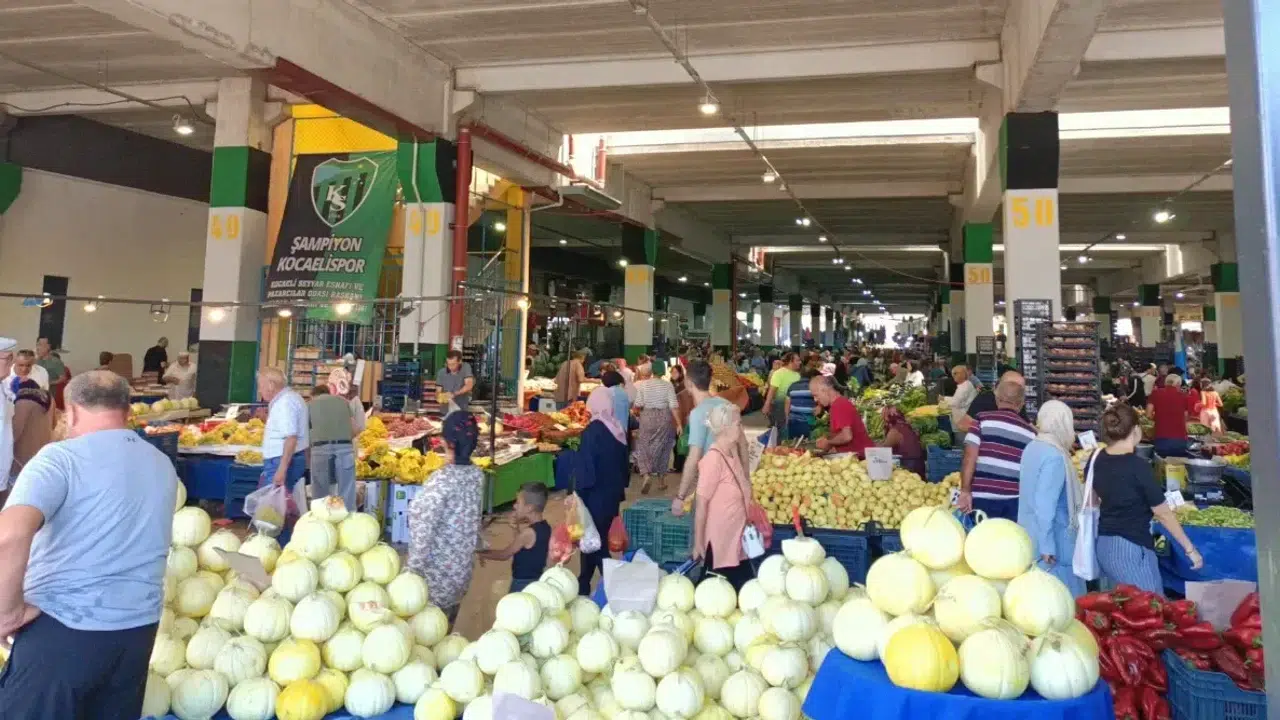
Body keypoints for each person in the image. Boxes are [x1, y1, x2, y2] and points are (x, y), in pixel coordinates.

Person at [0, 370, 176, 718]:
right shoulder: (162, 464)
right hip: (137, 632)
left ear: (73, 411)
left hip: (64, 629)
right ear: (127, 411)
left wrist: (8, 612)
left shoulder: (60, 459)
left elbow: (9, 535)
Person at [1093, 404, 1202, 593]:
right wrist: (1190, 550)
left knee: (1119, 607)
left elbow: (1092, 502)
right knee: (1150, 608)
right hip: (1131, 548)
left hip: (1103, 544)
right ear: (1136, 430)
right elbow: (1163, 514)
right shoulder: (1138, 467)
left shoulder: (1096, 459)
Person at [407, 411, 484, 626]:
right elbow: (473, 518)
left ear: (446, 443)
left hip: (434, 579)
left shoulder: (440, 482)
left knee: (428, 633)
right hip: (461, 573)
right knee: (446, 625)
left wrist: (410, 572)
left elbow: (423, 530)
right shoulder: (477, 475)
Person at [1016, 400, 1086, 597]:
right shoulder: (1054, 455)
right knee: (1062, 602)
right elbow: (1045, 504)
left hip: (1030, 533)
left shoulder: (1032, 447)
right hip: (1054, 543)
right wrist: (1048, 545)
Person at [693, 402, 756, 589]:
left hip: (736, 538)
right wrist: (698, 543)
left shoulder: (732, 452)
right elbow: (701, 505)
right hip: (721, 542)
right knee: (719, 593)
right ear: (725, 428)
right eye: (738, 424)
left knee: (742, 590)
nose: (741, 428)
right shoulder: (713, 459)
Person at [574, 388, 632, 595]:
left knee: (595, 543)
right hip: (612, 496)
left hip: (594, 495)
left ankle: (614, 585)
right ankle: (583, 584)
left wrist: (577, 493)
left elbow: (587, 468)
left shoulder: (593, 431)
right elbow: (626, 466)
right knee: (590, 540)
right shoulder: (617, 428)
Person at [958, 377, 1036, 521]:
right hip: (1013, 502)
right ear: (1021, 404)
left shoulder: (981, 420)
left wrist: (965, 491)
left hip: (982, 497)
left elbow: (970, 457)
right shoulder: (1031, 434)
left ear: (998, 399)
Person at [673, 361, 745, 517]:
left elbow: (694, 456)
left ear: (688, 383)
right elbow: (743, 445)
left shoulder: (698, 413)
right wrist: (745, 479)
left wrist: (680, 496)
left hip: (711, 483)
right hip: (732, 480)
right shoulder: (727, 404)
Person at [479, 483, 550, 593]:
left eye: (518, 502)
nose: (514, 506)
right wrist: (515, 527)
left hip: (522, 584)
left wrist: (480, 552)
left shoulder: (528, 533)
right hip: (537, 581)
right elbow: (524, 548)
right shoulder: (545, 527)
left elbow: (504, 555)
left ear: (529, 508)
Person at [258, 367, 309, 514]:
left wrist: (281, 469)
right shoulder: (290, 398)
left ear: (271, 385)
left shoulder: (285, 403)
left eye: (261, 386)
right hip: (286, 459)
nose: (260, 391)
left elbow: (291, 438)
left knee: (276, 510)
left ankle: (279, 537)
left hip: (280, 461)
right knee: (282, 505)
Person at [308, 370, 359, 511]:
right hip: (344, 448)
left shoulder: (310, 405)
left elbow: (306, 433)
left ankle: (322, 520)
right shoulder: (343, 402)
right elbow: (355, 428)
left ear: (314, 395)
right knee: (347, 489)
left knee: (320, 490)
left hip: (320, 449)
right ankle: (348, 521)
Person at [633, 364, 681, 494]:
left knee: (643, 446)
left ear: (652, 371)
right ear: (664, 371)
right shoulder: (668, 385)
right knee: (663, 447)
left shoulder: (643, 384)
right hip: (664, 417)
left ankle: (646, 474)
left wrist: (636, 412)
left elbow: (638, 404)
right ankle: (661, 481)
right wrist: (679, 424)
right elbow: (673, 406)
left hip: (647, 416)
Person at [810, 375, 874, 457]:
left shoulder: (839, 405)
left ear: (824, 390)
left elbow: (847, 436)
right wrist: (829, 440)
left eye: (816, 395)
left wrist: (828, 442)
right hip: (858, 456)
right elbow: (842, 433)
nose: (815, 399)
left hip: (862, 458)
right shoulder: (838, 403)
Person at [10, 379, 53, 489]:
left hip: (23, 456)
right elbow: (54, 423)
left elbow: (15, 431)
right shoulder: (49, 400)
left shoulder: (23, 402)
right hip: (43, 451)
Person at [1146, 374, 1194, 457]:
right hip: (1180, 439)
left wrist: (1158, 417)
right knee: (1178, 466)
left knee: (1161, 466)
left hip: (1161, 437)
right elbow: (1186, 418)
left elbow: (1148, 414)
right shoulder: (1184, 397)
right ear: (1178, 384)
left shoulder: (1156, 393)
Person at [880, 406, 925, 477]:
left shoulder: (895, 431)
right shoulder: (906, 426)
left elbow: (884, 448)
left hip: (909, 468)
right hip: (919, 466)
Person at [763, 352, 801, 433]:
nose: (800, 362)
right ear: (791, 361)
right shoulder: (778, 373)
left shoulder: (798, 375)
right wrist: (767, 404)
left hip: (795, 406)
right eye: (797, 360)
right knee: (782, 430)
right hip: (781, 406)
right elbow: (772, 390)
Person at [784, 367, 821, 440]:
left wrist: (787, 418)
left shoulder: (792, 386)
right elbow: (819, 403)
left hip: (793, 420)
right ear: (812, 376)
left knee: (793, 444)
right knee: (808, 444)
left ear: (800, 375)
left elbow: (787, 403)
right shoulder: (814, 387)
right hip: (809, 421)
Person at [944, 365, 980, 434]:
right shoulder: (967, 384)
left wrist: (944, 399)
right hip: (964, 418)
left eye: (955, 374)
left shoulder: (963, 387)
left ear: (961, 375)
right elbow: (957, 399)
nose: (953, 376)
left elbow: (956, 403)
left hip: (962, 419)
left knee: (960, 438)